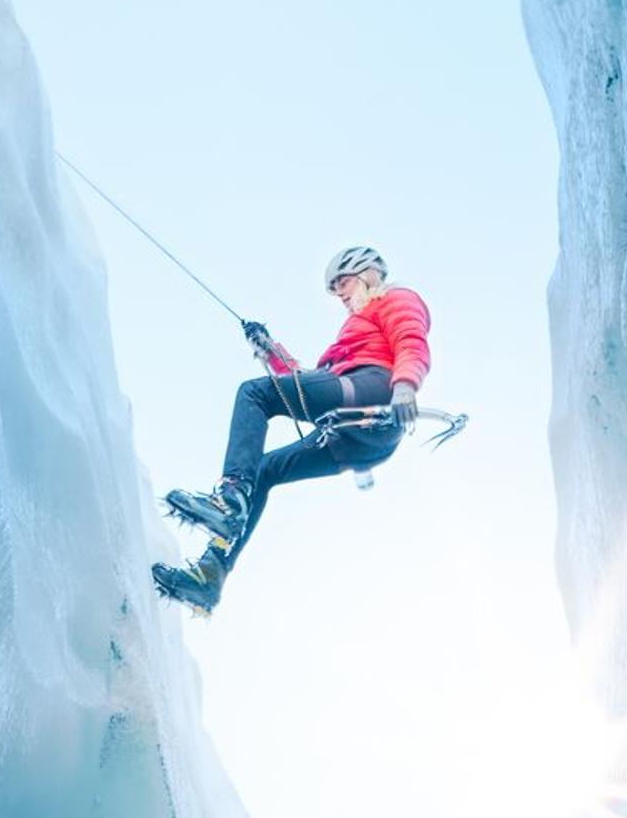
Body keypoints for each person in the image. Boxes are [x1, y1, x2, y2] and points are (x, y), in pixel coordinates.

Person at [152, 244, 431, 614]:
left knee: (253, 394)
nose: (341, 295)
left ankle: (228, 499)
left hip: (375, 389)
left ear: (368, 274)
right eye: (335, 290)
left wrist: (405, 387)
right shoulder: (353, 331)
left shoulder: (396, 297)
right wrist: (270, 351)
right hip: (357, 436)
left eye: (343, 283)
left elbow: (410, 339)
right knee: (264, 470)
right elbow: (308, 382)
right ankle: (211, 574)